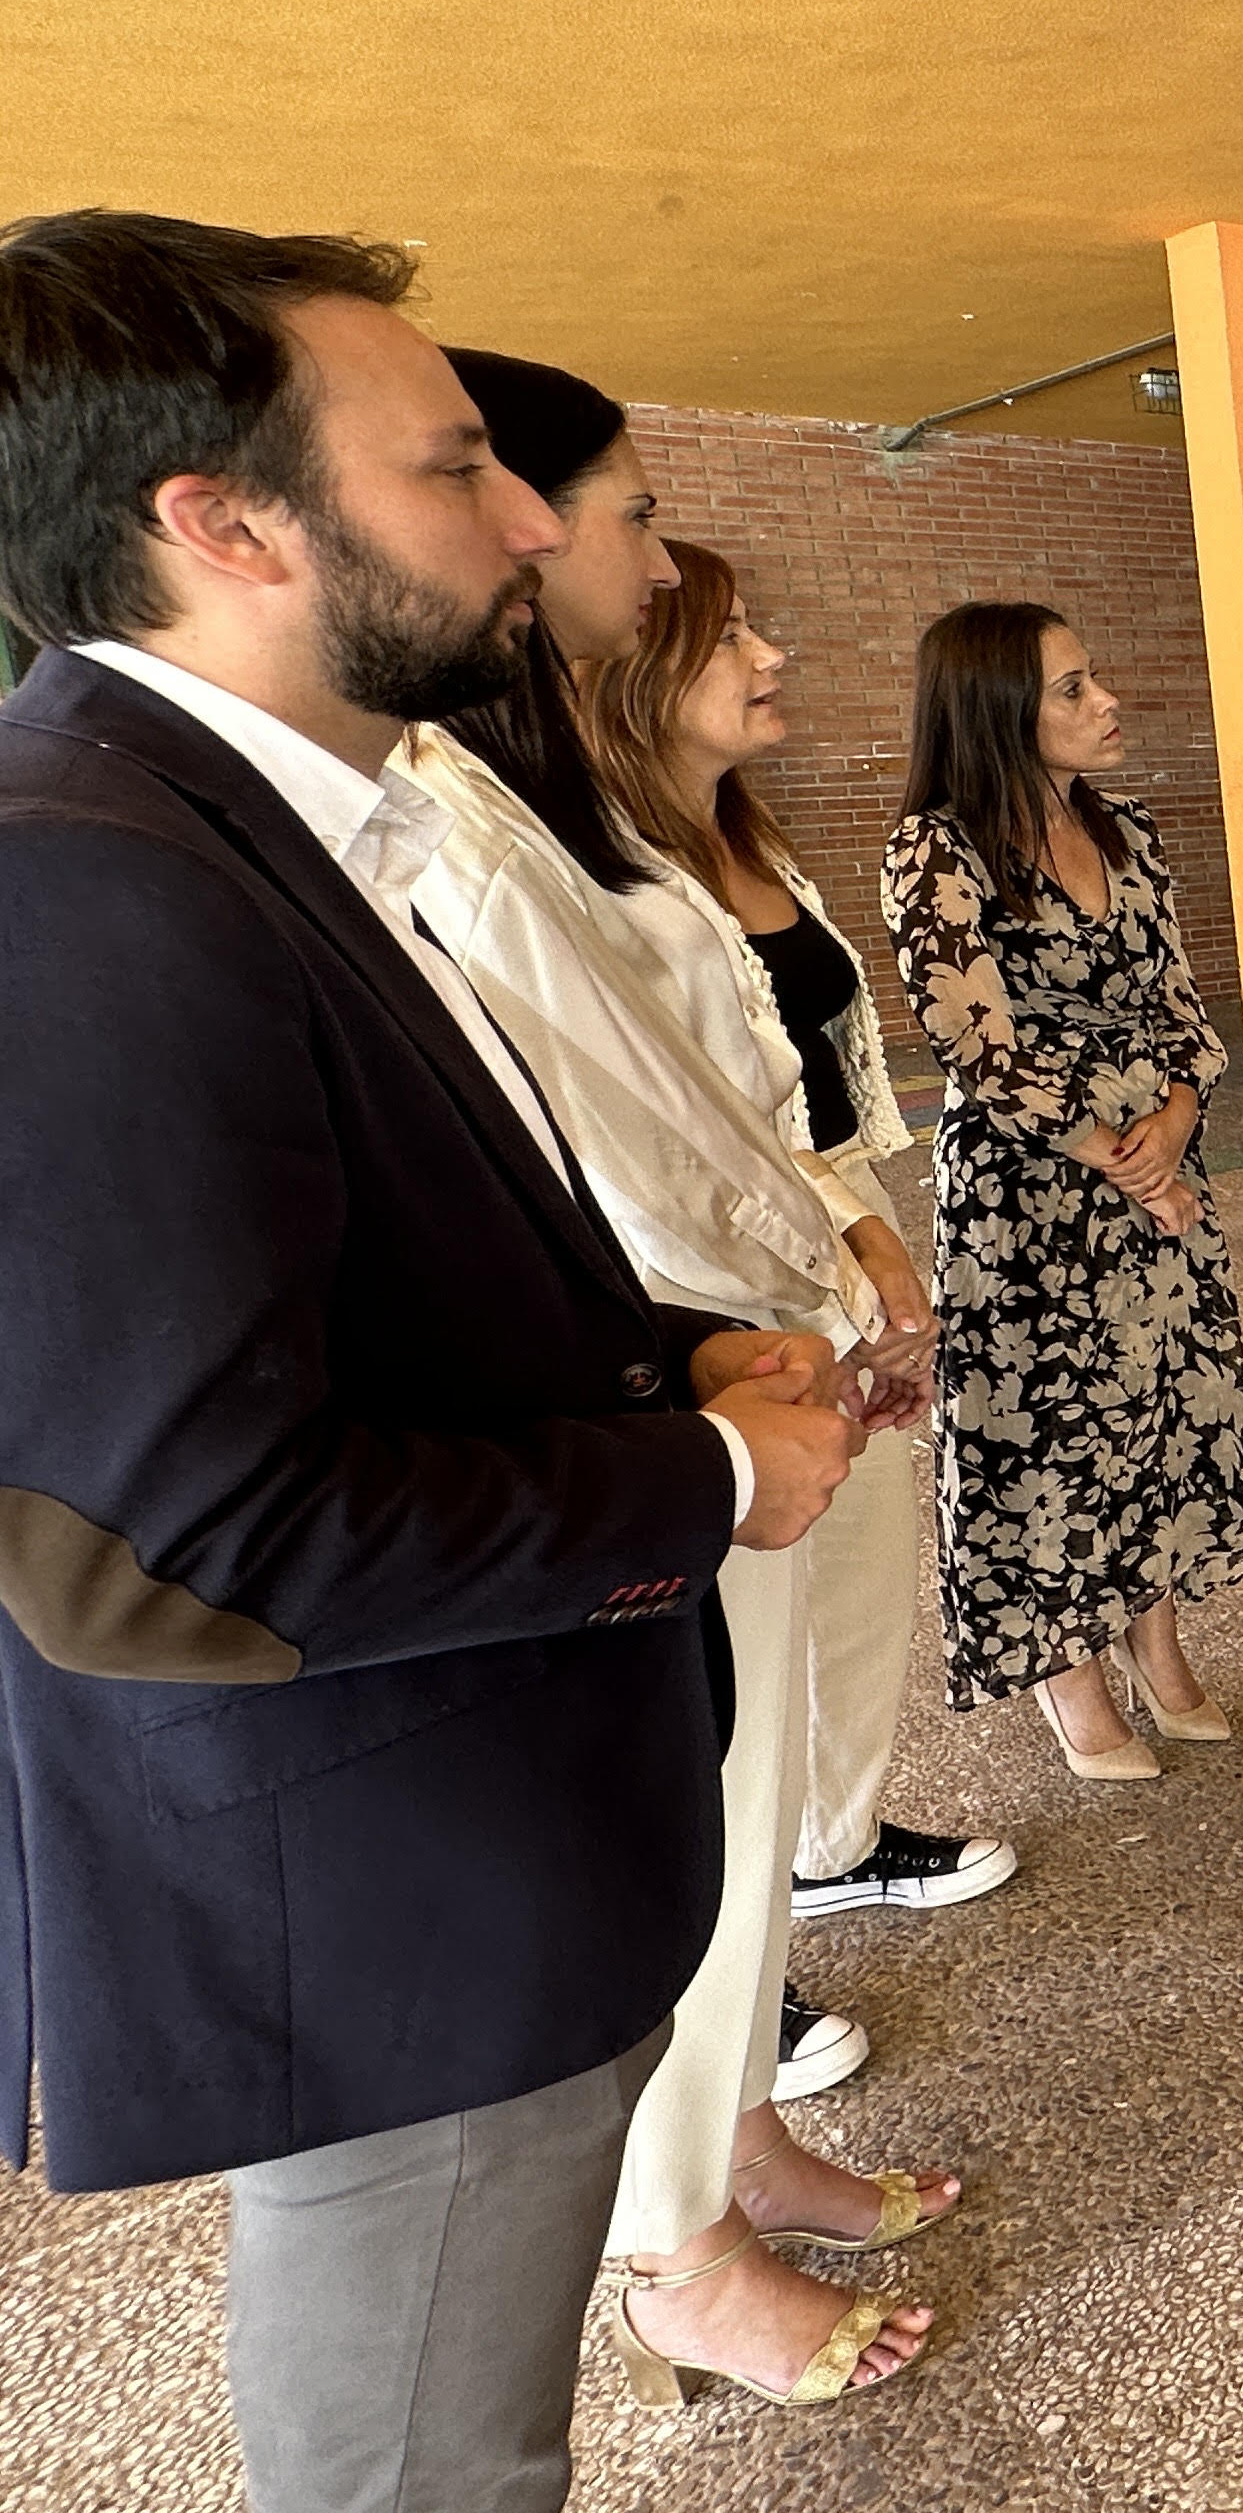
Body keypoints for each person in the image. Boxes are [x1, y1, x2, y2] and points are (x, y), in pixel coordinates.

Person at [0, 210, 855, 2513]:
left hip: (466, 1837)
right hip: (385, 1897)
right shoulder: (80, 880)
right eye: (458, 463)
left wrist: (666, 1356)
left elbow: (345, 1293)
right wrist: (702, 1468)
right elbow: (168, 1542)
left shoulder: (276, 826)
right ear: (225, 522)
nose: (523, 522)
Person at [403, 350, 959, 2409]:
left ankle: (737, 2143)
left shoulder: (570, 800)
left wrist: (835, 1288)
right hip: (675, 1388)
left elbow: (739, 1101)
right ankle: (677, 2256)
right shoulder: (442, 809)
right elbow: (589, 1148)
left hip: (762, 1355)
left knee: (760, 1781)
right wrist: (735, 1337)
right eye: (616, 512)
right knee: (700, 1813)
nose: (585, 541)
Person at [593, 540, 1014, 1925]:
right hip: (721, 1274)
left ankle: (826, 1848)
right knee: (745, 1615)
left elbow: (824, 1076)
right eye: (732, 641)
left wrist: (881, 1243)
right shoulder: (607, 874)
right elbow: (692, 1130)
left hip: (844, 1231)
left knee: (861, 1563)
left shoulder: (746, 835)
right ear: (641, 674)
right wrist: (855, 1251)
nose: (772, 659)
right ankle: (729, 1950)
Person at [884, 599, 1243, 1775]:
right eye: (1071, 687)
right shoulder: (936, 849)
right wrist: (1126, 1158)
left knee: (1157, 1415)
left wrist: (1177, 1121)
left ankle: (1159, 1650)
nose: (1103, 702)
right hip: (1030, 1196)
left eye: (1093, 679)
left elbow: (1183, 1004)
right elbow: (973, 1039)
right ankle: (1073, 1679)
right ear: (997, 707)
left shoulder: (1131, 832)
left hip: (1155, 1162)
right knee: (1055, 1436)